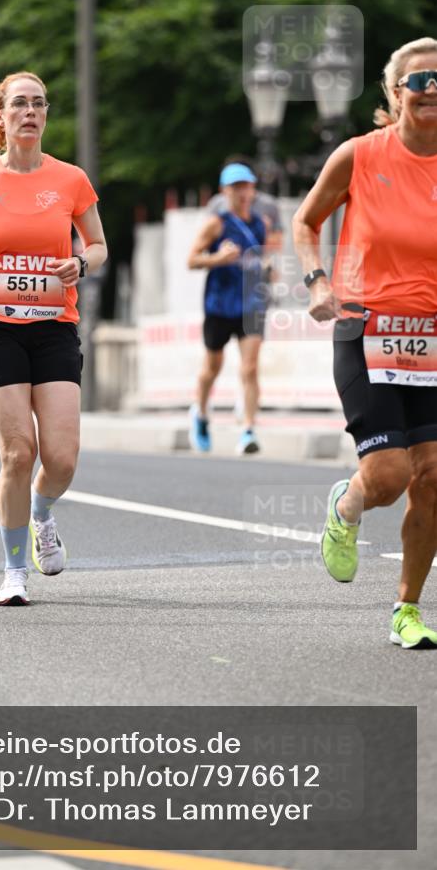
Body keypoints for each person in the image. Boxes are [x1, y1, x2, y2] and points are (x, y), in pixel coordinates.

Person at [0, 71, 107, 606]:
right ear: (1, 115)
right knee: (17, 452)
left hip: (54, 326)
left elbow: (98, 245)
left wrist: (80, 263)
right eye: (19, 104)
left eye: (38, 104)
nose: (29, 112)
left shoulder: (72, 180)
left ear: (46, 115)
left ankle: (42, 512)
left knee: (61, 460)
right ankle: (13, 572)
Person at [293, 36, 437, 649]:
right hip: (365, 327)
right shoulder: (359, 155)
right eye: (420, 80)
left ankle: (406, 609)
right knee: (387, 477)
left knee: (433, 480)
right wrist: (317, 280)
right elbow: (305, 221)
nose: (432, 91)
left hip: (431, 337)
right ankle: (347, 506)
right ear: (393, 92)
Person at [187, 162, 267, 455]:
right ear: (225, 191)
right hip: (219, 304)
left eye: (247, 186)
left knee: (250, 367)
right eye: (236, 188)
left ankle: (248, 430)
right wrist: (218, 258)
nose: (243, 193)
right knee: (212, 367)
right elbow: (191, 260)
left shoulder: (260, 224)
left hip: (251, 304)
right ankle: (201, 413)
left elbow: (259, 259)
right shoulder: (216, 223)